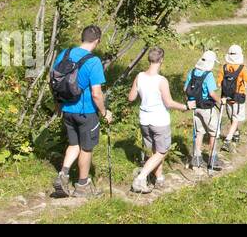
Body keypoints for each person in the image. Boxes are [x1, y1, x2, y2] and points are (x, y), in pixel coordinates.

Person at [49, 24, 114, 198]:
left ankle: (63, 174)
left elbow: (55, 80)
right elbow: (96, 93)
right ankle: (83, 185)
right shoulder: (93, 62)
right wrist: (104, 112)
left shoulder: (65, 53)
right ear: (97, 41)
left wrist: (58, 105)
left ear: (82, 37)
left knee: (73, 144)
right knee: (86, 148)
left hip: (67, 109)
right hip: (86, 113)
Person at [126, 47, 187, 193]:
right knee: (162, 151)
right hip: (159, 120)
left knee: (155, 151)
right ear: (161, 60)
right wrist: (185, 107)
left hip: (144, 120)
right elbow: (169, 103)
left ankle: (159, 179)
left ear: (149, 59)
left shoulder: (139, 76)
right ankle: (141, 178)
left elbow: (131, 98)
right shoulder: (161, 81)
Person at [184, 50, 222, 172]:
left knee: (199, 132)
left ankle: (197, 158)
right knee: (213, 132)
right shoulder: (208, 75)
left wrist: (189, 102)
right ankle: (213, 159)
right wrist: (221, 102)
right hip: (207, 108)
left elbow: (185, 88)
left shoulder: (192, 72)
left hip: (195, 107)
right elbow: (211, 93)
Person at [219, 44, 247, 147]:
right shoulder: (242, 69)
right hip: (238, 97)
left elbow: (219, 83)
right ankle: (228, 139)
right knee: (236, 118)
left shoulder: (224, 68)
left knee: (232, 118)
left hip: (226, 97)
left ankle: (236, 134)